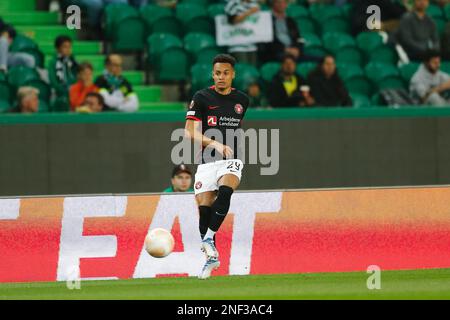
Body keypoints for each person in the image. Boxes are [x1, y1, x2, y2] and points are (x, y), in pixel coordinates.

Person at [184, 54, 249, 279]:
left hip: (232, 158)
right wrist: (214, 143)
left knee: (226, 189)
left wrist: (226, 146)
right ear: (213, 74)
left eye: (226, 73)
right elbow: (189, 131)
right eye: (218, 73)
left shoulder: (243, 100)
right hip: (207, 161)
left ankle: (209, 238)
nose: (221, 77)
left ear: (233, 75)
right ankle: (211, 256)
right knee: (204, 209)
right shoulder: (202, 97)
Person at [224, 0, 260, 65]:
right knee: (243, 71)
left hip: (252, 45)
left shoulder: (254, 4)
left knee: (252, 71)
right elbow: (232, 21)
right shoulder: (233, 3)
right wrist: (250, 12)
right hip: (237, 46)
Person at [48, 35, 78, 111]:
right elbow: (54, 82)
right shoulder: (53, 63)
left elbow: (77, 77)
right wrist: (65, 91)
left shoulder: (73, 62)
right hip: (59, 93)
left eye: (69, 47)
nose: (68, 49)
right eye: (65, 47)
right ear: (57, 49)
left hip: (74, 92)